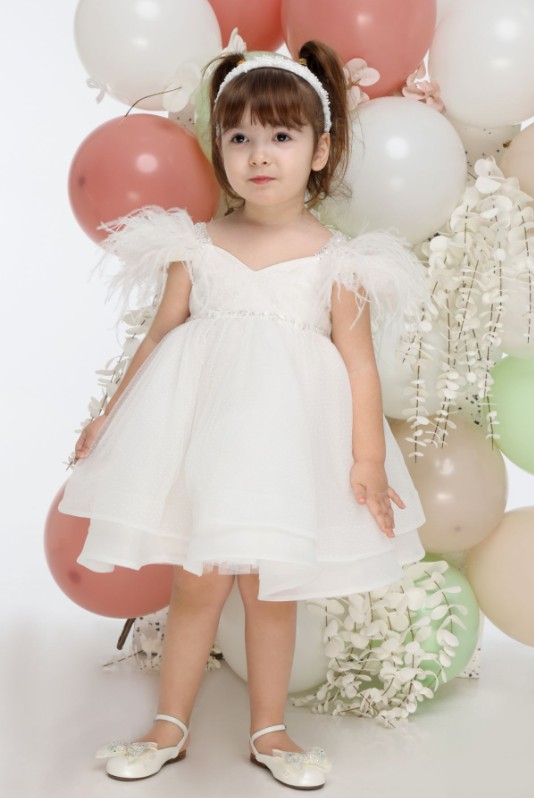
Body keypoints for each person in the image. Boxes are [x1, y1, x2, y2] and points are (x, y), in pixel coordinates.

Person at [58, 40, 428, 789]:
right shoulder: (196, 246)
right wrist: (108, 416)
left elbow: (358, 364)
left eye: (281, 136)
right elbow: (158, 335)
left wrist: (366, 459)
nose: (259, 154)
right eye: (239, 137)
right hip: (207, 442)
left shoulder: (337, 260)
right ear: (220, 150)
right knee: (195, 583)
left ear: (319, 152)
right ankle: (169, 725)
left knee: (269, 591)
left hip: (283, 453)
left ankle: (270, 728)